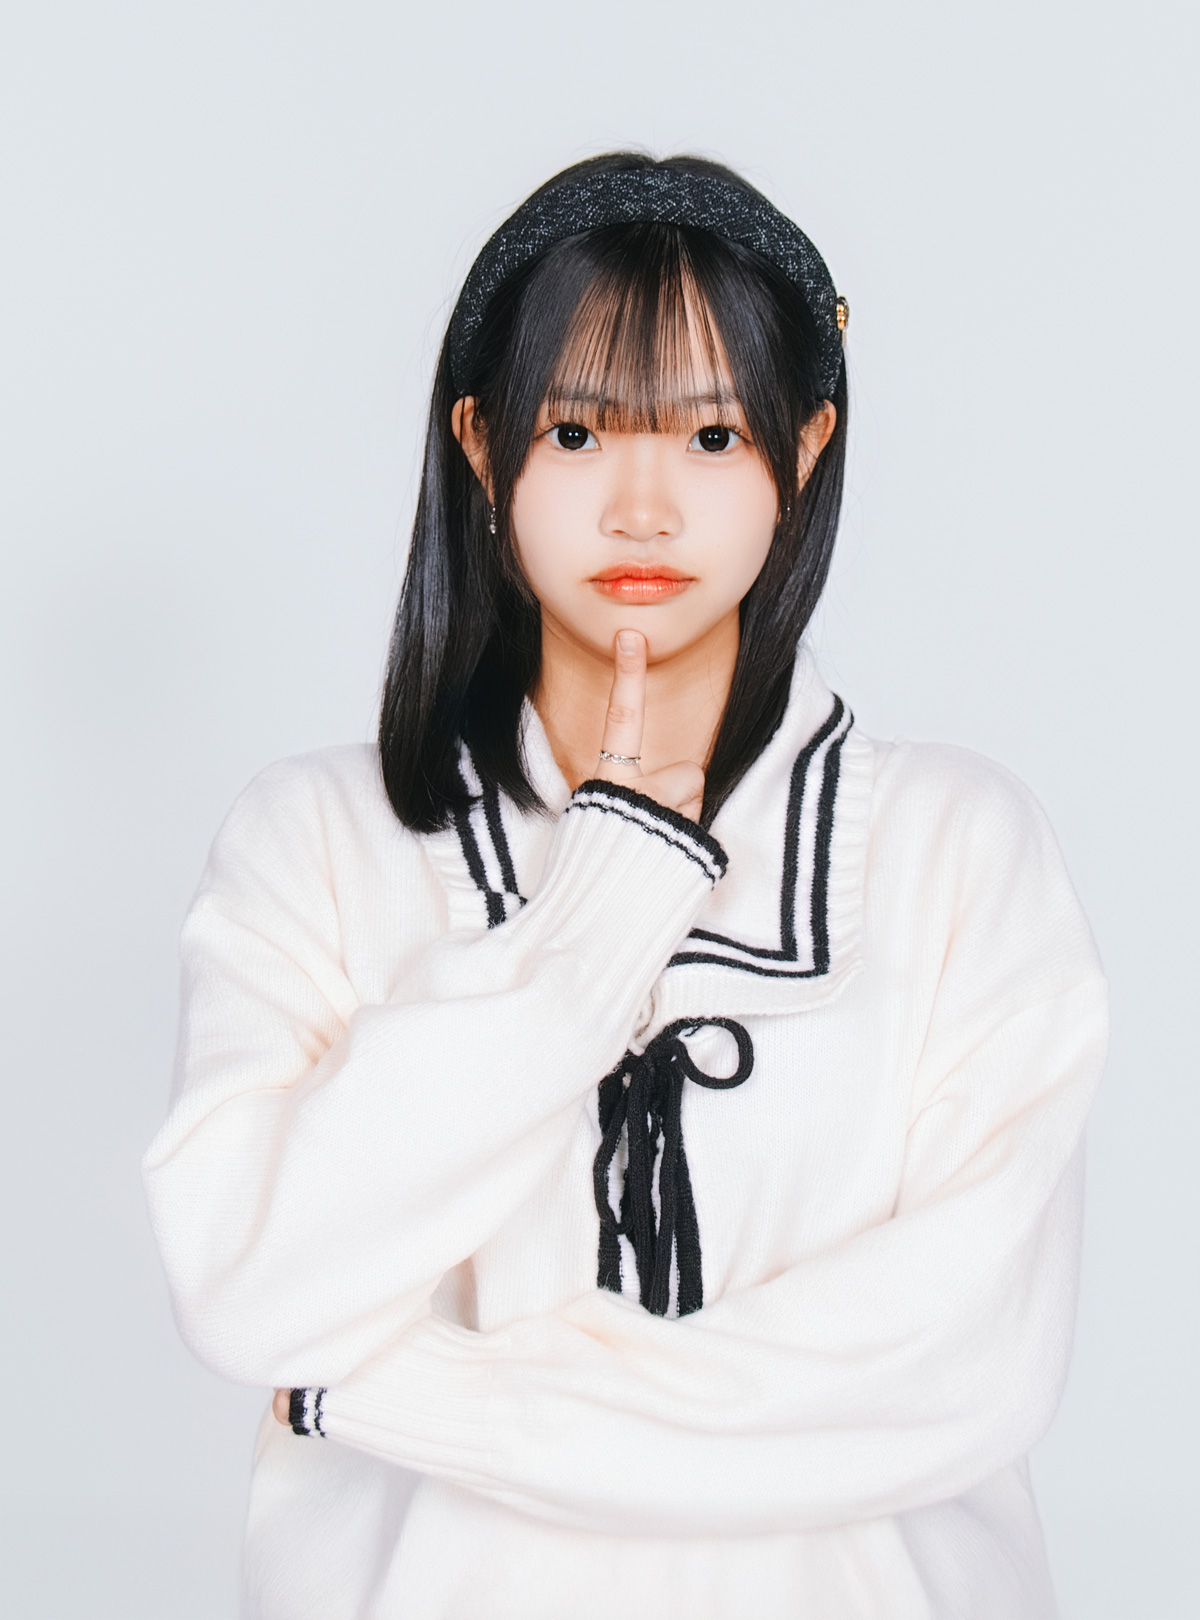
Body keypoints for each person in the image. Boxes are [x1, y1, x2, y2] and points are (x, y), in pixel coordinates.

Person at [143, 152, 1107, 1619]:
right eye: (579, 431)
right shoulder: (319, 842)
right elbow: (247, 1285)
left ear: (807, 447)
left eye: (713, 436)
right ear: (483, 446)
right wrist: (591, 932)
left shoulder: (960, 847)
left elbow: (956, 1368)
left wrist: (391, 1397)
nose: (644, 508)